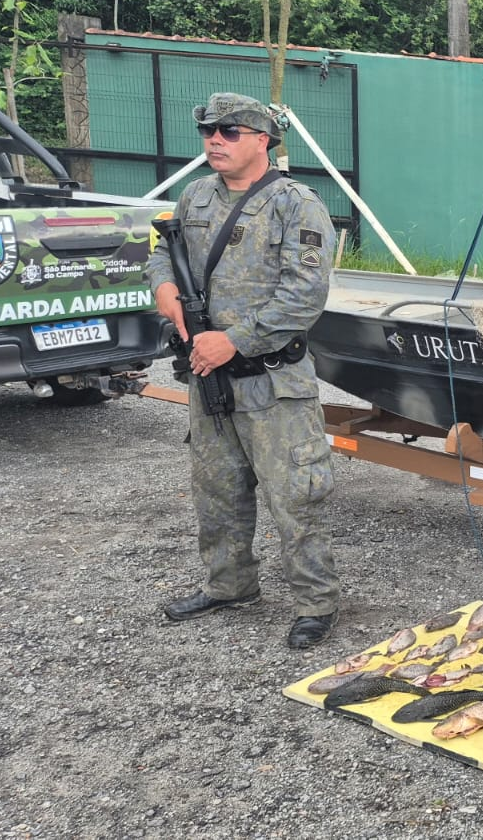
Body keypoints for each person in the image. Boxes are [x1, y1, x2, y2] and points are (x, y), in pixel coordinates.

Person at [145, 92, 341, 649]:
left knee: (295, 496)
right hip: (208, 377)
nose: (214, 140)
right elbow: (163, 252)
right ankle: (230, 586)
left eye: (230, 132)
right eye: (209, 131)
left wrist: (232, 340)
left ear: (263, 140)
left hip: (272, 381)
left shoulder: (295, 204)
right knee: (217, 489)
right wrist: (165, 292)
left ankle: (315, 603)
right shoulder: (195, 196)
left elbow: (305, 295)